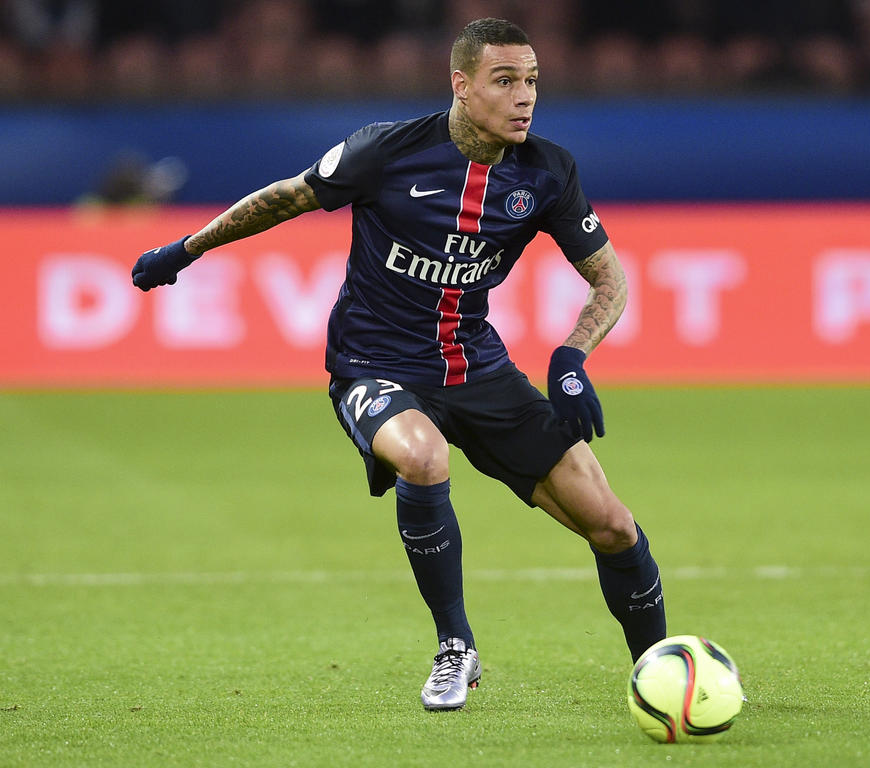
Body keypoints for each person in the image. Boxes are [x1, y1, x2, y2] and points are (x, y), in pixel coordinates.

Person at [131, 17, 666, 711]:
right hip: (372, 363)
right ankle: (456, 649)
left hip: (478, 368)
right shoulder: (385, 152)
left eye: (532, 80)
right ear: (462, 85)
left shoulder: (548, 171)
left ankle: (661, 672)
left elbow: (610, 280)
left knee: (613, 525)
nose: (524, 97)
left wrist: (569, 358)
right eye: (505, 81)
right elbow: (283, 197)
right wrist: (186, 249)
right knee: (422, 455)